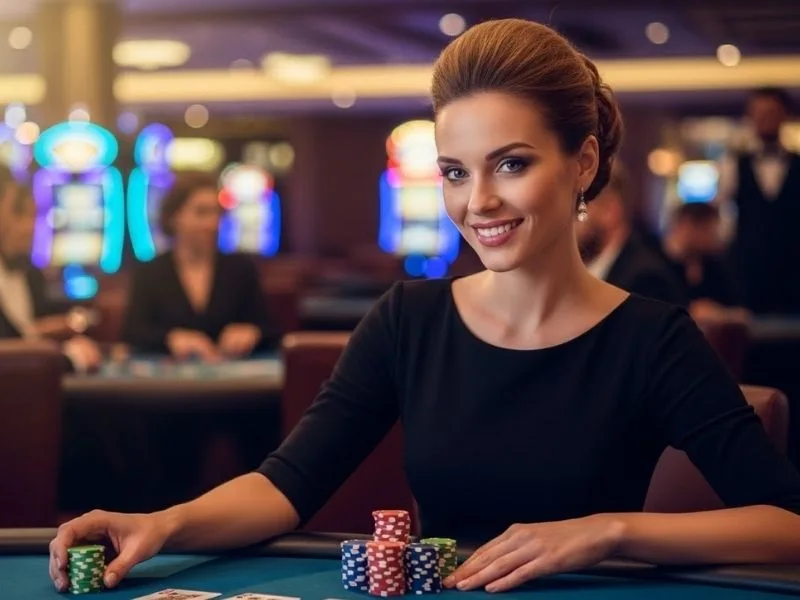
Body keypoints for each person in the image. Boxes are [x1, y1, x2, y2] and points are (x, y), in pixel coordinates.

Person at [51, 19, 800, 594]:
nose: (479, 203)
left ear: (584, 163)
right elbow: (285, 487)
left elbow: (787, 525)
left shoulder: (651, 337)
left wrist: (611, 532)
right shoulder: (408, 320)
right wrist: (162, 522)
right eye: (454, 172)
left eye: (511, 163)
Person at [121, 171, 278, 361]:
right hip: (166, 384)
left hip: (232, 381)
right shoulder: (150, 272)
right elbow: (132, 334)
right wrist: (171, 339)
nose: (212, 223)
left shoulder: (241, 268)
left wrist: (252, 332)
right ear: (174, 217)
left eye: (216, 213)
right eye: (201, 213)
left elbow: (272, 330)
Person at [0, 172, 101, 372]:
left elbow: (28, 332)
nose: (30, 227)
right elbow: (9, 357)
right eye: (18, 213)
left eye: (33, 216)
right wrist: (70, 357)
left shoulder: (29, 271)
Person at [715, 87, 800, 314]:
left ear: (786, 115)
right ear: (750, 117)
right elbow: (719, 211)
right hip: (747, 271)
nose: (765, 119)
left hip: (794, 270)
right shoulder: (733, 163)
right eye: (759, 113)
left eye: (771, 113)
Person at [577, 160, 688, 306]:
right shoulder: (595, 268)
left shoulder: (646, 283)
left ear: (609, 212)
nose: (563, 224)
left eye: (576, 210)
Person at [662, 202, 749, 324]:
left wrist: (718, 313)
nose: (716, 236)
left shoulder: (717, 265)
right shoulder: (658, 265)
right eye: (709, 230)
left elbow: (742, 312)